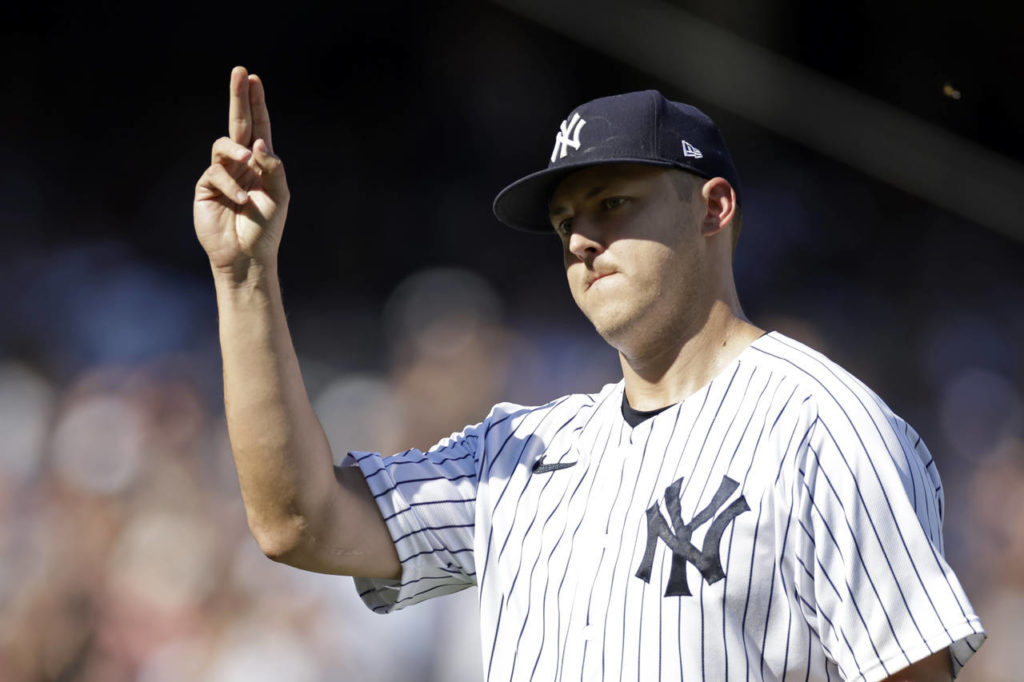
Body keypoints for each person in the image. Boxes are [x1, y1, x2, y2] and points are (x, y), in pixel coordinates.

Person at [194, 66, 985, 681]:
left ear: (713, 209)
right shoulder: (521, 453)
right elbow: (299, 522)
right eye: (566, 221)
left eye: (612, 204)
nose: (579, 240)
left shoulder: (822, 425)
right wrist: (244, 277)